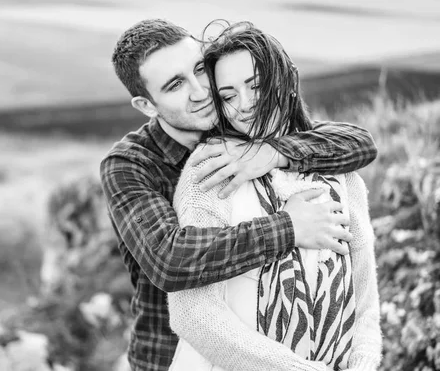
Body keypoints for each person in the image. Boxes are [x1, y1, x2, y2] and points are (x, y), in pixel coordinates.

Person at [100, 19, 378, 371]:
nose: (201, 91)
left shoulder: (240, 119)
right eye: (175, 85)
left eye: (200, 69)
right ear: (146, 105)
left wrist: (274, 152)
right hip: (168, 354)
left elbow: (358, 143)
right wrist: (288, 227)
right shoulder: (130, 165)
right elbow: (169, 259)